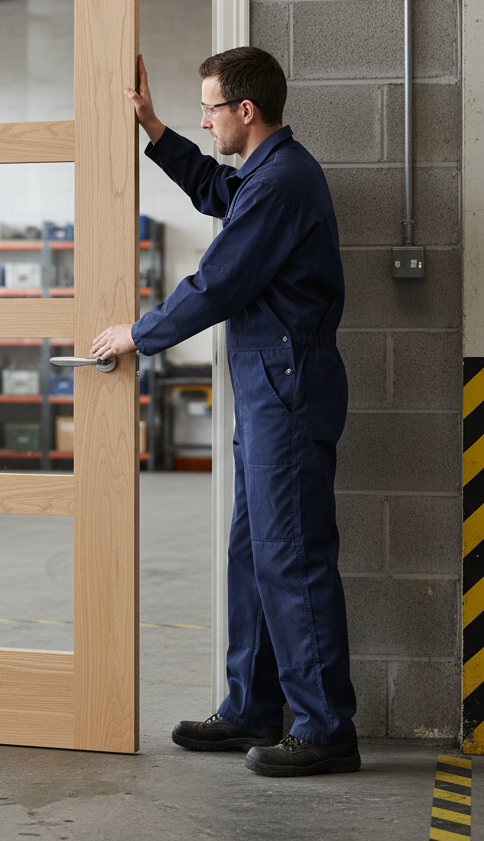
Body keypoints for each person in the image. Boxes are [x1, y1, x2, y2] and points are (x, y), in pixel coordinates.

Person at [91, 47, 359, 778]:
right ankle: (254, 705)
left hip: (288, 384)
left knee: (292, 556)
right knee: (254, 551)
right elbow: (214, 187)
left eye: (210, 107)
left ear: (246, 111)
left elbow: (217, 282)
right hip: (270, 381)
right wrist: (154, 129)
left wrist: (139, 335)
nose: (204, 119)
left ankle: (327, 726)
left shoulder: (283, 183)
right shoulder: (266, 175)